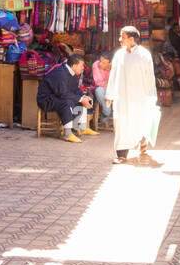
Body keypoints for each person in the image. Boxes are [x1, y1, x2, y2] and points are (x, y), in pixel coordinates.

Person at [105, 25, 157, 164]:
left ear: (131, 39)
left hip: (139, 98)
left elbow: (150, 77)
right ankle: (121, 155)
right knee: (121, 124)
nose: (120, 39)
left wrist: (151, 97)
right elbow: (113, 76)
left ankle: (143, 140)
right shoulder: (119, 55)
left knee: (138, 122)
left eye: (123, 37)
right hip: (121, 98)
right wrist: (109, 95)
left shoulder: (144, 55)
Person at [37, 54, 98, 143]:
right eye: (81, 66)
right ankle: (68, 134)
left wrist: (83, 97)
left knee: (82, 99)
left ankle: (82, 127)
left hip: (57, 97)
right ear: (74, 65)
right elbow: (62, 93)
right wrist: (80, 99)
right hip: (46, 100)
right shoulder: (61, 73)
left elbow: (75, 89)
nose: (83, 68)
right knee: (66, 102)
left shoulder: (71, 73)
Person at [91, 55, 114, 128]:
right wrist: (108, 83)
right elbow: (98, 83)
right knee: (99, 91)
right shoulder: (95, 65)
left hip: (114, 90)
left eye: (103, 63)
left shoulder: (115, 67)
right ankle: (107, 112)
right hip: (102, 89)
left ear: (110, 63)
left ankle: (105, 116)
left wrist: (112, 69)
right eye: (100, 61)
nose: (100, 64)